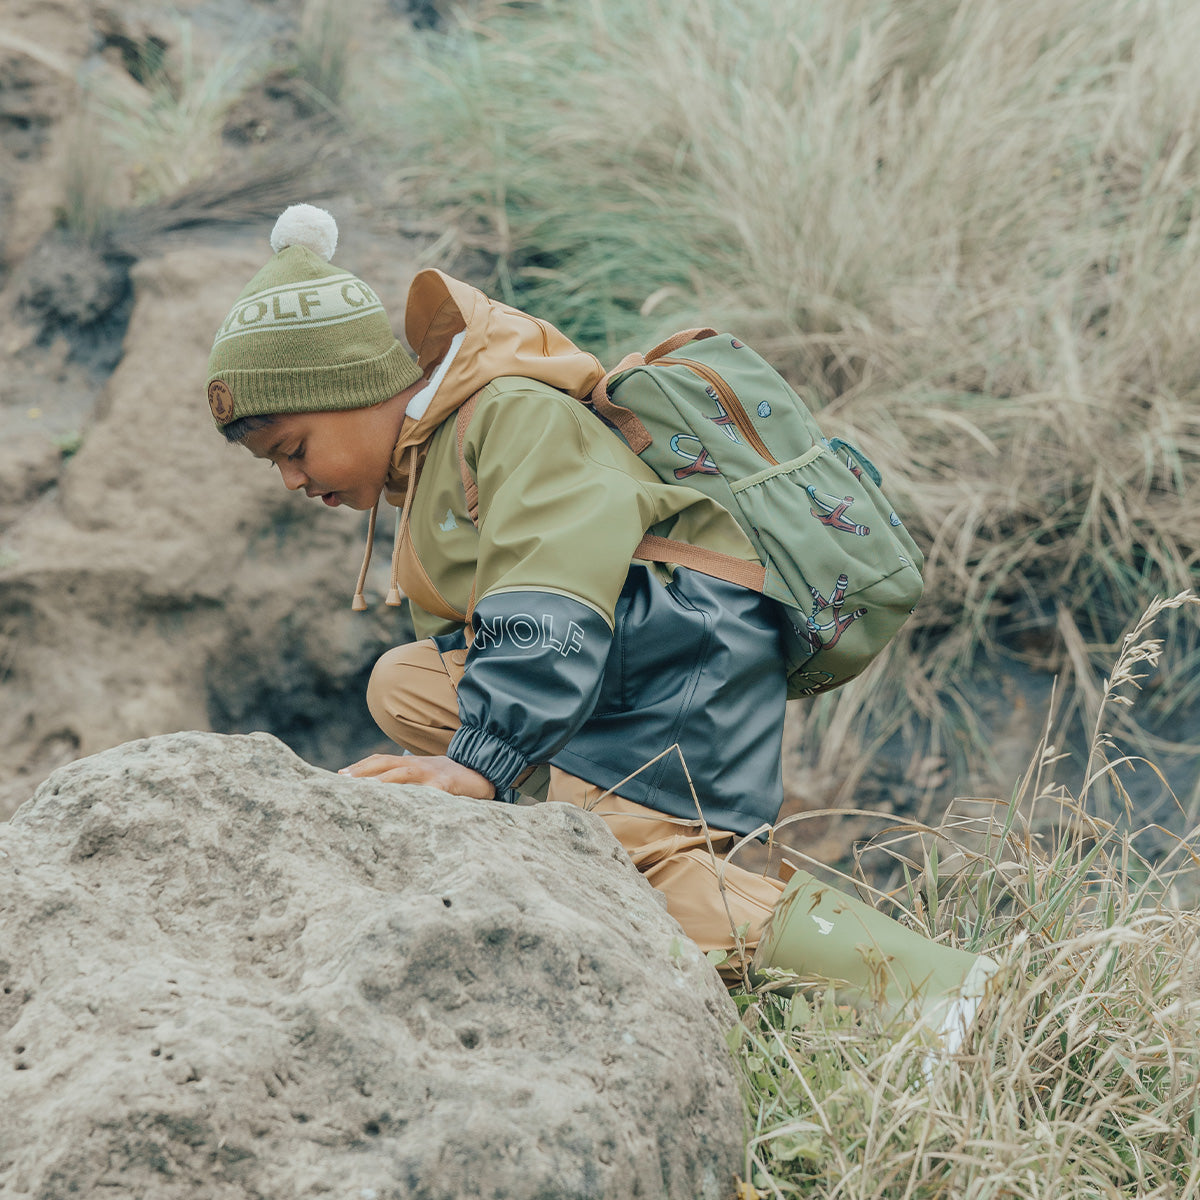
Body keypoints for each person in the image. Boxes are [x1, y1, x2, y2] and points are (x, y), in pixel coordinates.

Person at [206, 204, 995, 1043]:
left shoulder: (510, 415)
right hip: (632, 658)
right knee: (405, 683)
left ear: (352, 390)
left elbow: (552, 591)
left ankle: (941, 992)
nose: (292, 479)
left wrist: (483, 763)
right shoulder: (435, 456)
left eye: (293, 448)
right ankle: (564, 813)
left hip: (688, 657)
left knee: (639, 873)